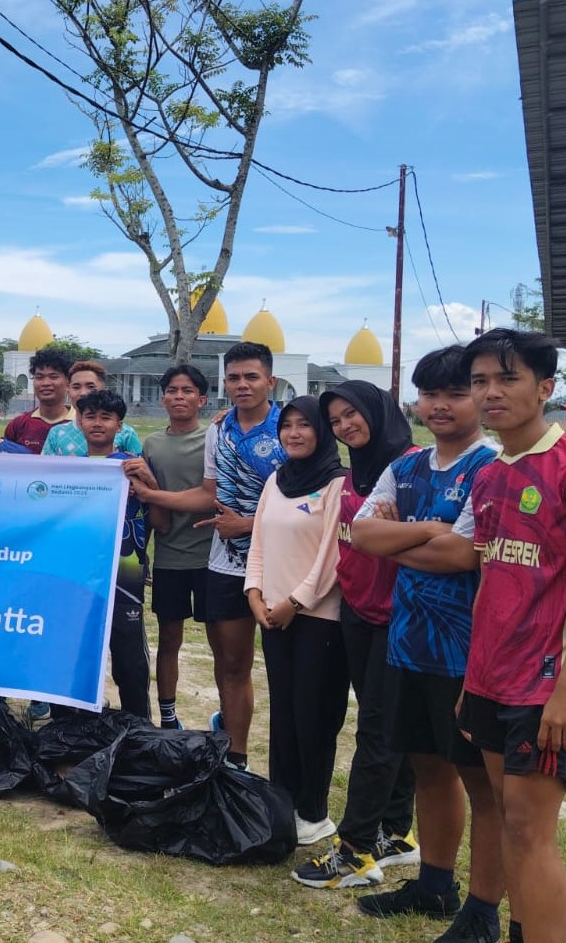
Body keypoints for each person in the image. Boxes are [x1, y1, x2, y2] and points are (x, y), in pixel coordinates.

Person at [460, 328, 566, 943]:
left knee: (532, 831)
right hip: (489, 679)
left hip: (548, 686)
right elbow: (490, 581)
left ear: (546, 387)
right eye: (481, 381)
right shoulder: (489, 475)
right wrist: (471, 676)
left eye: (508, 379)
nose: (491, 392)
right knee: (509, 819)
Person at [352, 346, 505, 943]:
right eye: (428, 394)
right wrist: (425, 532)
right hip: (407, 641)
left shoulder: (489, 469)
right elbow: (361, 534)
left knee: (480, 783)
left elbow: (463, 553)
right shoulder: (408, 465)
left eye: (455, 392)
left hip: (468, 653)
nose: (439, 405)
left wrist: (395, 540)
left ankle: (483, 909)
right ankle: (435, 884)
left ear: (477, 397)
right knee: (428, 767)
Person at [295, 381, 420, 889]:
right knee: (391, 729)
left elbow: (436, 537)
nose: (346, 426)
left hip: (400, 618)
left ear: (378, 411)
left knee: (378, 730)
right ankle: (396, 833)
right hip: (358, 612)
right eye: (337, 419)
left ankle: (356, 850)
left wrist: (403, 532)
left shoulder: (413, 467)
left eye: (353, 414)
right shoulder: (354, 475)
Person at [244, 396, 349, 846]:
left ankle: (314, 810)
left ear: (322, 431)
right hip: (271, 615)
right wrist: (254, 593)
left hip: (318, 619)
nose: (294, 433)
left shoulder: (338, 483)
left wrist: (295, 601)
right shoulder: (276, 479)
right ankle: (281, 800)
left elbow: (333, 556)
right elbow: (259, 541)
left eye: (305, 425)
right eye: (286, 425)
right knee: (283, 710)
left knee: (314, 713)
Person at [193, 340, 286, 770]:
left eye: (252, 376)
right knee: (231, 663)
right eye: (234, 377)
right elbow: (210, 492)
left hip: (284, 563)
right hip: (226, 562)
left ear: (271, 380)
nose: (242, 384)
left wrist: (248, 525)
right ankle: (236, 757)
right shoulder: (218, 430)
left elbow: (311, 503)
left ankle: (292, 769)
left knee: (289, 672)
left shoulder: (294, 428)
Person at [123, 365, 215, 729]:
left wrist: (151, 490)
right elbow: (153, 511)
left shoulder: (214, 438)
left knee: (221, 646)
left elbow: (211, 497)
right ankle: (168, 715)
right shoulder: (153, 444)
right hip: (171, 557)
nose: (179, 396)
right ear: (162, 398)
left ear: (202, 399)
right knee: (169, 640)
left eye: (188, 390)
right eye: (172, 390)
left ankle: (224, 716)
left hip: (213, 558)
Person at [75, 390, 151, 719]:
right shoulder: (65, 471)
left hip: (126, 573)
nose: (97, 423)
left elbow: (159, 519)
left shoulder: (131, 467)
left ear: (119, 425)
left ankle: (138, 728)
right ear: (79, 422)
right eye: (90, 416)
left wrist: (149, 484)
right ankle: (73, 726)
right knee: (78, 651)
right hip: (79, 575)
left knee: (129, 657)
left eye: (106, 417)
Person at [41, 360, 142, 456]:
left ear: (103, 389)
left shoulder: (126, 434)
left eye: (90, 387)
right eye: (76, 387)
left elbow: (140, 468)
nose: (83, 393)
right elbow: (45, 471)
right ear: (68, 389)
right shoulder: (56, 434)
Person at [4, 346, 74, 453]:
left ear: (68, 382)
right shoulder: (18, 426)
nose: (45, 383)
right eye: (39, 377)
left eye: (53, 377)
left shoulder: (82, 424)